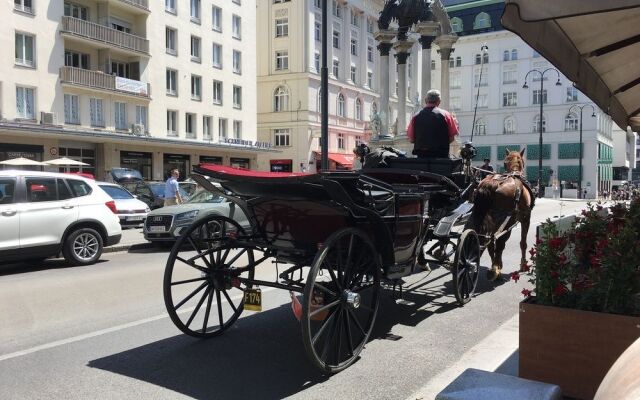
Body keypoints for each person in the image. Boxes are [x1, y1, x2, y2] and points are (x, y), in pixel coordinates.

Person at [407, 89, 459, 158]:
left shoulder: (416, 116)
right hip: (441, 158)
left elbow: (411, 140)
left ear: (426, 100)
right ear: (439, 101)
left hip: (422, 159)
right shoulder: (446, 115)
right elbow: (452, 138)